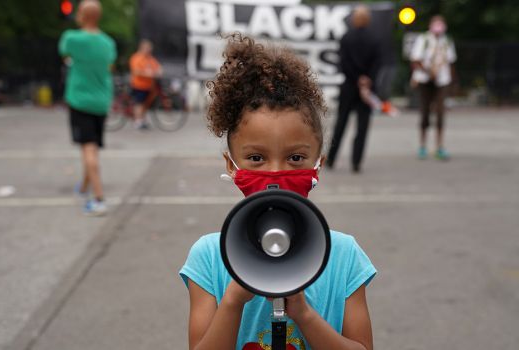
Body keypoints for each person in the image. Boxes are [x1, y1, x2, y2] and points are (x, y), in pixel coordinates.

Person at [179, 34, 376, 350]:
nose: (274, 174)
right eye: (256, 158)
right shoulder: (208, 258)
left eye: (295, 158)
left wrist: (303, 314)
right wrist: (232, 300)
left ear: (317, 165)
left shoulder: (345, 256)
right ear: (231, 166)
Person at [59, 0, 116, 216]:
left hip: (80, 100)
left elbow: (65, 55)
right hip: (101, 101)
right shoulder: (108, 43)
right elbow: (109, 64)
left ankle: (99, 198)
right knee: (90, 146)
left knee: (88, 148)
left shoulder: (72, 38)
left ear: (82, 15)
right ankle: (84, 186)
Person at [326, 5, 381, 173]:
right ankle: (356, 162)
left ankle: (331, 159)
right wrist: (366, 79)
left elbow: (343, 63)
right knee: (362, 126)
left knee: (341, 123)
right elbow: (377, 64)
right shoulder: (374, 38)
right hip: (367, 89)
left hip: (349, 86)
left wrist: (356, 78)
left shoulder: (346, 37)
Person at [410, 15, 457, 161]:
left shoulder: (447, 41)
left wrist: (452, 82)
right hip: (425, 80)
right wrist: (429, 72)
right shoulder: (423, 39)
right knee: (425, 113)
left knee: (441, 113)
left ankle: (439, 146)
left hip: (442, 81)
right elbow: (415, 60)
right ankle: (423, 146)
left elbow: (451, 62)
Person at [129, 39, 163, 130]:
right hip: (139, 85)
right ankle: (137, 121)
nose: (149, 50)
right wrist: (149, 74)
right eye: (147, 48)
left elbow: (158, 67)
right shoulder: (137, 58)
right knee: (139, 103)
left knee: (145, 104)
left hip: (149, 86)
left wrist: (159, 71)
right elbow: (136, 71)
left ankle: (142, 119)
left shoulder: (150, 59)